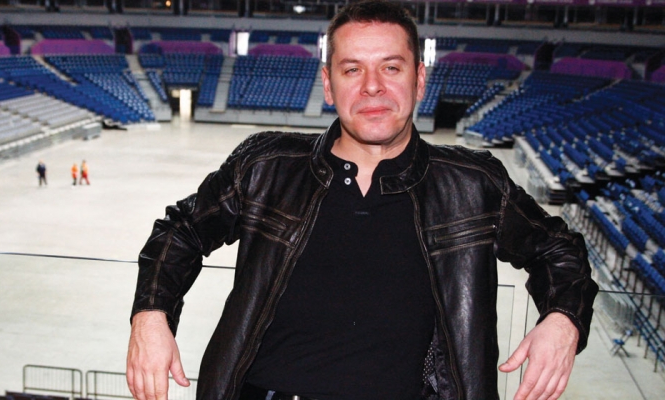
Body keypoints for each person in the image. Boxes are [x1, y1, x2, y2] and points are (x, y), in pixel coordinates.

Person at [127, 1, 598, 399]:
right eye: (352, 69)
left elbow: (558, 249)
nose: (372, 86)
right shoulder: (266, 165)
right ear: (328, 84)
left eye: (391, 67)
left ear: (419, 79)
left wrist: (563, 320)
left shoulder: (473, 183)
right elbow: (180, 230)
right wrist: (151, 315)